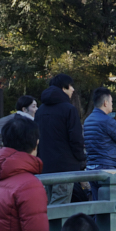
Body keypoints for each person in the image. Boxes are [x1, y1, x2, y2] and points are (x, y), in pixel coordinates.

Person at [37, 74, 86, 205]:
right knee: (60, 206)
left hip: (45, 166)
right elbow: (76, 139)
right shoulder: (69, 109)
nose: (73, 90)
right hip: (65, 167)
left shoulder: (40, 110)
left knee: (47, 205)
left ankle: (46, 226)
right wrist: (81, 159)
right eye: (71, 86)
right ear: (64, 88)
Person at [85, 87, 116, 200]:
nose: (112, 105)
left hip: (91, 167)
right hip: (107, 168)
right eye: (111, 102)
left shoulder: (88, 120)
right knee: (112, 207)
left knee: (99, 208)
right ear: (105, 103)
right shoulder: (107, 120)